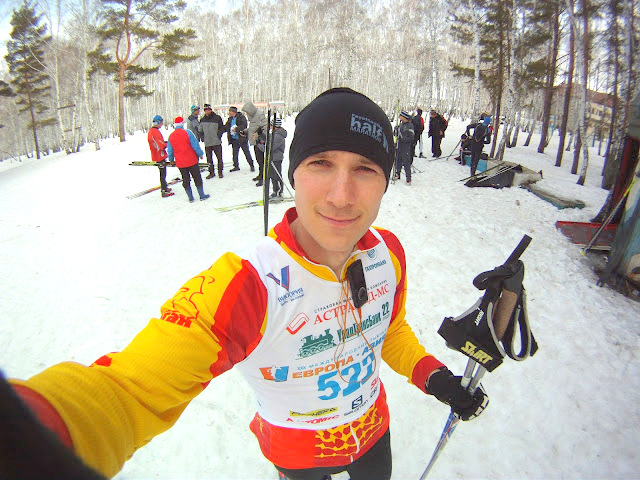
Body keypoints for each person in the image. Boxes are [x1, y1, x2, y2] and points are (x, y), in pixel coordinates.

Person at [3, 88, 488, 480]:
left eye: (365, 169)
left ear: (385, 182)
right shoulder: (248, 285)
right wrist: (29, 444)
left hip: (373, 434)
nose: (342, 196)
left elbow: (389, 330)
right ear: (293, 174)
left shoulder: (389, 252)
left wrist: (435, 378)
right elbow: (129, 391)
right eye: (321, 164)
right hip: (297, 453)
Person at [167, 116, 210, 202]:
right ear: (182, 124)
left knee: (185, 179)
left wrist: (171, 159)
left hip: (180, 163)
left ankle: (190, 197)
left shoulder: (171, 136)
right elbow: (195, 145)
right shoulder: (188, 133)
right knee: (197, 177)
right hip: (192, 160)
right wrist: (200, 154)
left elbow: (170, 150)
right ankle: (202, 195)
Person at [257, 116, 287, 198]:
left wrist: (258, 145)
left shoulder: (278, 136)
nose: (269, 127)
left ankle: (279, 192)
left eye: (271, 125)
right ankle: (275, 191)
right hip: (272, 158)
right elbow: (268, 140)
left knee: (276, 175)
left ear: (275, 126)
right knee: (272, 175)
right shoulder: (275, 134)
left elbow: (269, 148)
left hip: (276, 158)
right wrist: (261, 135)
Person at [147, 115, 174, 198]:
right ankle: (163, 190)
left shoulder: (152, 131)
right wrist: (168, 144)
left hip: (156, 155)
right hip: (159, 155)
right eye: (161, 123)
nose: (162, 124)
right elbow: (160, 145)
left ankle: (165, 187)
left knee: (163, 172)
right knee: (163, 173)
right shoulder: (155, 132)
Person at [242, 101, 268, 186]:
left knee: (261, 161)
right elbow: (253, 128)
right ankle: (261, 175)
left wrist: (259, 134)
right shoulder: (253, 117)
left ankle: (264, 177)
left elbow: (265, 128)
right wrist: (245, 131)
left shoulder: (259, 116)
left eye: (247, 112)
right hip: (255, 142)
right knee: (258, 160)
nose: (247, 114)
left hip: (260, 142)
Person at [224, 106, 254, 173]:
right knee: (235, 154)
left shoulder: (241, 117)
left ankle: (251, 165)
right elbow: (226, 127)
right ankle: (236, 166)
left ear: (233, 112)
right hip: (234, 139)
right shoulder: (230, 119)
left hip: (241, 138)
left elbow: (244, 125)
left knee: (246, 152)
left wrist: (237, 129)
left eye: (230, 111)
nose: (229, 113)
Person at [200, 104, 225, 179]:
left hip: (216, 141)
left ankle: (220, 172)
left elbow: (222, 128)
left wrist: (219, 135)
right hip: (207, 142)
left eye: (208, 110)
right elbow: (200, 130)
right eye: (206, 110)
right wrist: (203, 138)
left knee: (219, 158)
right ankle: (211, 173)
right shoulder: (202, 120)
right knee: (209, 159)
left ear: (211, 110)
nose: (207, 111)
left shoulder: (217, 118)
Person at [393, 110, 415, 185]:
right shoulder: (401, 125)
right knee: (398, 160)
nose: (400, 117)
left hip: (406, 147)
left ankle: (408, 178)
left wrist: (403, 138)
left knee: (406, 162)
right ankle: (397, 174)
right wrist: (396, 130)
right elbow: (396, 134)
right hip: (400, 145)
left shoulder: (410, 126)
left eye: (401, 116)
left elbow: (411, 138)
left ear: (404, 117)